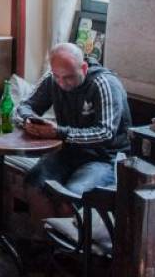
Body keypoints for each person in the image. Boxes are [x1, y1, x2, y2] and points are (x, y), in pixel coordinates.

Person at [16, 42, 131, 197]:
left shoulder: (104, 83)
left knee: (72, 195)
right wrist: (29, 121)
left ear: (83, 68)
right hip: (68, 152)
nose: (61, 83)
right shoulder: (53, 78)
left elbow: (105, 133)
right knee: (33, 184)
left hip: (104, 158)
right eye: (57, 76)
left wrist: (59, 132)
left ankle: (66, 211)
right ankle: (47, 215)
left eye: (68, 77)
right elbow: (25, 106)